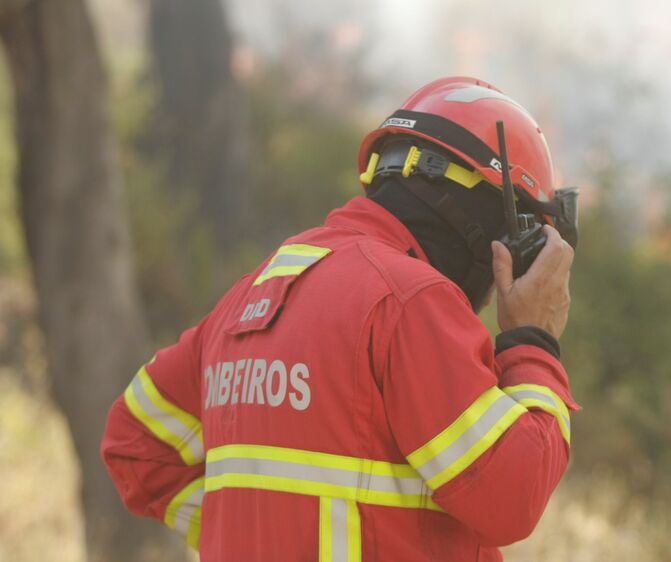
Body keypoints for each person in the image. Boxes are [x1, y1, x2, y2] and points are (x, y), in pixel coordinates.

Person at [101, 76, 579, 561]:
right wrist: (534, 340)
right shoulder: (410, 301)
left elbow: (135, 442)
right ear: (493, 221)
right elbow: (512, 497)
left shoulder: (251, 295)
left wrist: (251, 533)